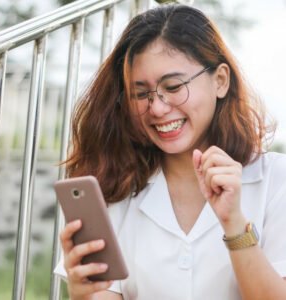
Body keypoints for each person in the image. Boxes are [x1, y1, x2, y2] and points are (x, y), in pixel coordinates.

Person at [54, 4, 286, 300]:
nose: (158, 108)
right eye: (141, 94)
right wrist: (83, 293)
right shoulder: (113, 187)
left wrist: (235, 224)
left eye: (173, 86)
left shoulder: (277, 180)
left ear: (220, 80)